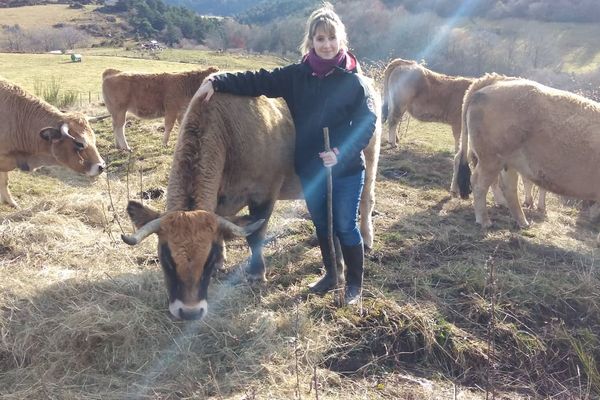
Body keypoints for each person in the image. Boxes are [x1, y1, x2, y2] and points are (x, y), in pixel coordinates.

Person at [195, 2, 378, 305]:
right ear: (311, 42)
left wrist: (340, 152)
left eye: (332, 38)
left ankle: (354, 286)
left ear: (341, 40)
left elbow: (366, 121)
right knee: (321, 224)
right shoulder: (297, 75)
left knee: (345, 224)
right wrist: (218, 80)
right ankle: (332, 275)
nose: (327, 45)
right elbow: (259, 79)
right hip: (311, 168)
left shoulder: (354, 80)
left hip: (345, 169)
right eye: (320, 39)